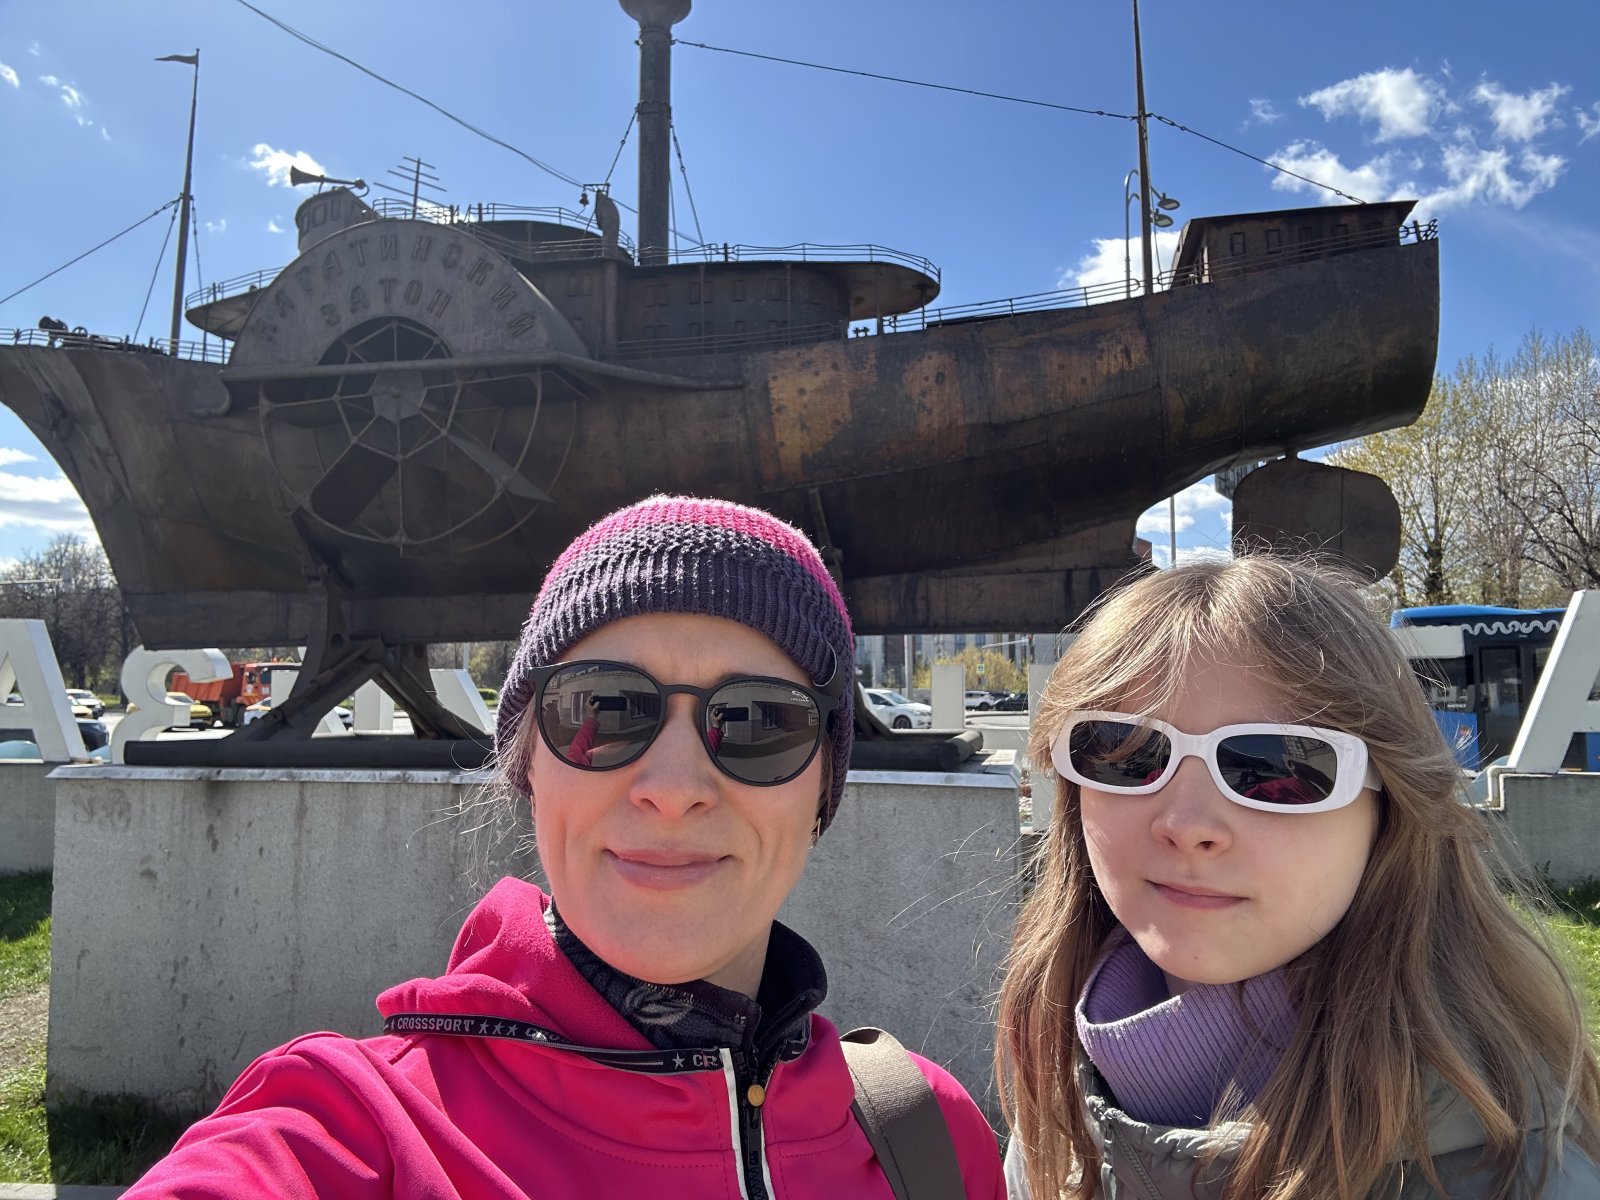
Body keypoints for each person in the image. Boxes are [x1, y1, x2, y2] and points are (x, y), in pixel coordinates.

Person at [122, 494, 1004, 1199]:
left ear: (820, 792)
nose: (674, 786)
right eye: (602, 709)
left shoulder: (929, 1138)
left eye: (759, 723)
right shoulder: (347, 1126)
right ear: (529, 768)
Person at [997, 556, 1600, 1199]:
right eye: (1126, 753)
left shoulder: (1525, 1176)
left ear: (1390, 811)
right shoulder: (1056, 1104)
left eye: (1276, 767)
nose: (1186, 824)